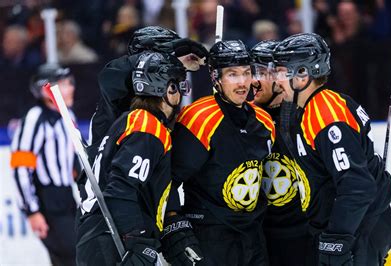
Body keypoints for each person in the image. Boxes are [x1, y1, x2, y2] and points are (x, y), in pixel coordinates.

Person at [272, 33, 391, 266]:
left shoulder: (325, 115)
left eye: (281, 72)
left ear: (302, 75)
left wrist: (337, 240)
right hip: (354, 228)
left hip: (360, 230)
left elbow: (357, 186)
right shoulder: (310, 109)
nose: (276, 81)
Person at [163, 40, 275, 266]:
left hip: (252, 236)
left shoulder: (264, 121)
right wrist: (174, 225)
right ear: (216, 78)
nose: (243, 82)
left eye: (246, 73)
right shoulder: (199, 118)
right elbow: (168, 178)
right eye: (233, 74)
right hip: (209, 236)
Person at [75, 52, 190, 265]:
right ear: (168, 88)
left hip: (100, 235)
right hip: (111, 240)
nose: (182, 94)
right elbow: (121, 189)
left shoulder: (130, 119)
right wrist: (137, 238)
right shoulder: (148, 128)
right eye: (179, 86)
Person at [87, 25, 208, 159]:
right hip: (112, 171)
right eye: (168, 55)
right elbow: (109, 75)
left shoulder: (160, 89)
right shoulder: (120, 84)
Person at [250, 40, 315, 266]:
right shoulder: (243, 118)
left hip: (303, 236)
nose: (252, 81)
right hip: (262, 237)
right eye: (251, 72)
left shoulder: (304, 116)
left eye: (260, 72)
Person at [10, 63, 78, 265]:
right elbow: (21, 167)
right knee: (73, 256)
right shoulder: (34, 119)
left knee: (72, 256)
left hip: (67, 196)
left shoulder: (68, 116)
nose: (71, 87)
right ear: (46, 89)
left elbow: (73, 161)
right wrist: (32, 211)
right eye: (65, 84)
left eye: (70, 83)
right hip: (46, 199)